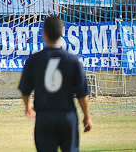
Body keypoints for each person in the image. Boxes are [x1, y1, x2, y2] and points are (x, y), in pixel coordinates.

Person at [19, 15, 93, 152]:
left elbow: (25, 91)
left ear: (44, 34)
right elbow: (82, 95)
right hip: (67, 116)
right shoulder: (73, 61)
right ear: (62, 34)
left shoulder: (34, 60)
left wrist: (27, 106)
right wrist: (87, 117)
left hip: (44, 117)